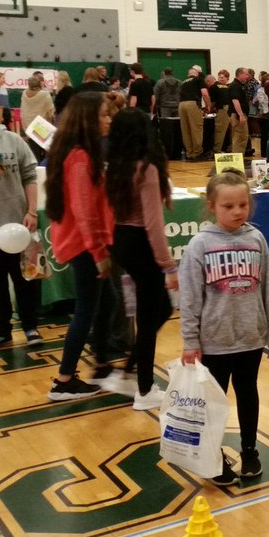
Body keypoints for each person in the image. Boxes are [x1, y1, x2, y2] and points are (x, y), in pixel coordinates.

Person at [179, 170, 269, 486]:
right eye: (228, 206)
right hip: (213, 342)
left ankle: (249, 450)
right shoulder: (200, 245)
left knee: (248, 394)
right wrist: (189, 340)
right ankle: (211, 454)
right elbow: (189, 297)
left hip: (250, 338)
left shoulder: (256, 239)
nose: (237, 211)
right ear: (211, 206)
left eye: (243, 204)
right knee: (214, 403)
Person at [45, 92, 118, 400]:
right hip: (85, 246)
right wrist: (99, 252)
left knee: (107, 302)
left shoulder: (80, 153)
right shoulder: (79, 157)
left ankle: (101, 362)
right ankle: (64, 380)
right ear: (89, 119)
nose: (109, 119)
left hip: (86, 244)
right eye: (104, 115)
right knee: (86, 310)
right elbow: (84, 211)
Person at [104, 109, 177, 408]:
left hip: (120, 240)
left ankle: (132, 367)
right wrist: (168, 265)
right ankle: (145, 391)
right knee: (149, 319)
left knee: (161, 309)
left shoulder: (117, 166)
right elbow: (153, 224)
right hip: (140, 244)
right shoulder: (146, 168)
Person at [0, 88, 42, 348]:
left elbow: (30, 175)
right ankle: (1, 330)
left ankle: (31, 327)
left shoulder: (13, 139)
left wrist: (31, 211)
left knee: (26, 278)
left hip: (19, 222)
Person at [177, 66, 209, 161]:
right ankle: (197, 153)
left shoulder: (183, 82)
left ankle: (189, 153)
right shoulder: (199, 80)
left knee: (186, 129)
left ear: (188, 75)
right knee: (196, 128)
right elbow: (204, 93)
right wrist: (208, 105)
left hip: (181, 105)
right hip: (192, 104)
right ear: (198, 74)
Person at [20, 75, 55, 160]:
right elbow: (51, 112)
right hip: (42, 128)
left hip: (29, 128)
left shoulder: (24, 93)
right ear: (39, 84)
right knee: (47, 155)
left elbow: (23, 110)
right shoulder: (44, 95)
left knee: (35, 155)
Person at [152, 68, 183, 160]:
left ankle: (167, 151)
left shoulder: (160, 82)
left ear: (164, 73)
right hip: (177, 107)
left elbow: (155, 96)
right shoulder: (180, 82)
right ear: (172, 73)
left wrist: (154, 109)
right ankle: (178, 150)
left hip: (164, 108)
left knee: (166, 130)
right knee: (177, 129)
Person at [225, 68, 251, 157]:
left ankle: (238, 156)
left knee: (241, 136)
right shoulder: (235, 86)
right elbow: (235, 100)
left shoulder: (240, 85)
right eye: (246, 74)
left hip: (239, 114)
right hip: (237, 115)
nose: (248, 76)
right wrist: (240, 115)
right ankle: (237, 158)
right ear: (240, 74)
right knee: (240, 136)